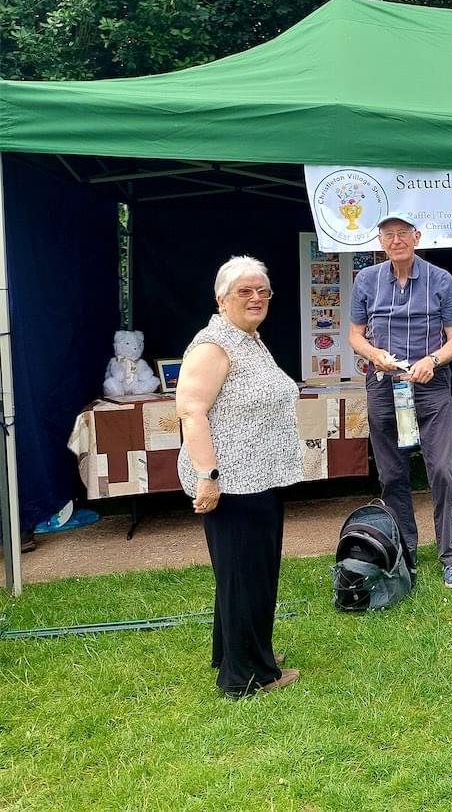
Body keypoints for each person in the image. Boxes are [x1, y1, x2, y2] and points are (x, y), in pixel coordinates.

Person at [176, 255, 303, 696]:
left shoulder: (248, 338)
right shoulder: (214, 346)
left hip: (258, 476)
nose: (255, 298)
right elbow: (191, 411)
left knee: (245, 573)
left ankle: (238, 651)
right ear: (221, 298)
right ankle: (246, 677)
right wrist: (207, 476)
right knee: (245, 575)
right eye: (244, 291)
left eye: (262, 291)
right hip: (231, 482)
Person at [348, 211, 452, 588]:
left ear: (417, 237)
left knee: (442, 471)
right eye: (388, 235)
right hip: (383, 383)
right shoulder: (366, 280)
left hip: (430, 385)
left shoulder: (441, 280)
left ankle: (450, 556)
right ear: (380, 242)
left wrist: (432, 361)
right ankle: (407, 553)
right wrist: (374, 354)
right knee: (392, 474)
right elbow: (354, 335)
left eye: (402, 233)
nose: (396, 240)